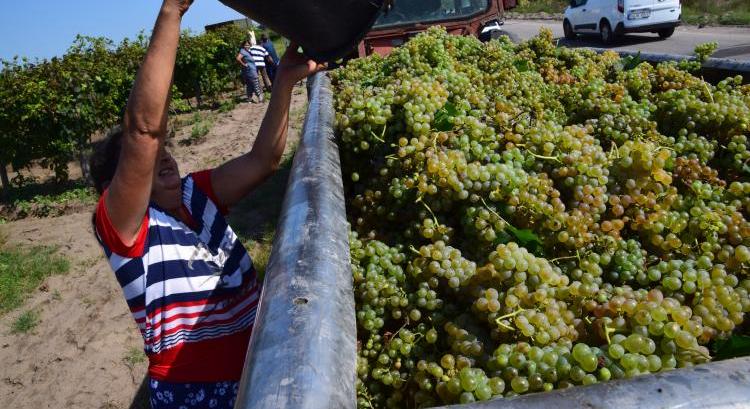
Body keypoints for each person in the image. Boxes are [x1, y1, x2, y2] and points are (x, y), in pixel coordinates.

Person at [89, 1, 326, 408]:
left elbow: (263, 161)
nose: (162, 155)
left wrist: (284, 83)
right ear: (117, 186)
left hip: (260, 364)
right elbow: (143, 131)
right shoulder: (125, 230)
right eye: (146, 160)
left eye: (167, 149)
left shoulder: (194, 194)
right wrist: (172, 12)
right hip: (197, 393)